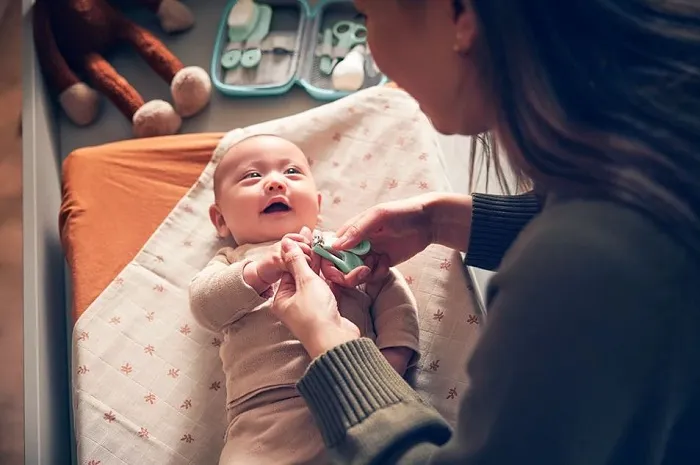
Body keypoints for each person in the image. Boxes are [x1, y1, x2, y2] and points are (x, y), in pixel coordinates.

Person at [269, 1, 700, 464]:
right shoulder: (665, 100)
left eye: (366, 16)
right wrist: (442, 220)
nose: (372, 50)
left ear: (461, 18)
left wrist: (331, 344)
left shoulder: (581, 270)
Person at [188, 134, 420, 465]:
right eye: (253, 176)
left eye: (292, 172)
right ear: (221, 219)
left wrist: (393, 358)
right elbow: (204, 305)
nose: (274, 183)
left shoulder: (340, 247)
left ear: (318, 204)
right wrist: (261, 271)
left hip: (357, 390)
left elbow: (391, 292)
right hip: (262, 418)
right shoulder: (234, 261)